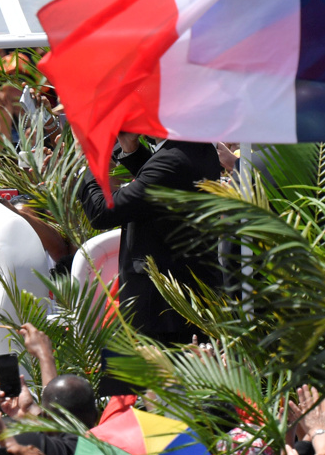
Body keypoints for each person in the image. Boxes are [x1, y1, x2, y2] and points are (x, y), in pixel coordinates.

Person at [78, 134, 225, 342]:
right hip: (180, 304)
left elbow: (102, 213)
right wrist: (132, 151)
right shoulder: (196, 149)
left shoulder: (172, 161)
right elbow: (157, 187)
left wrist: (90, 164)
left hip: (163, 313)